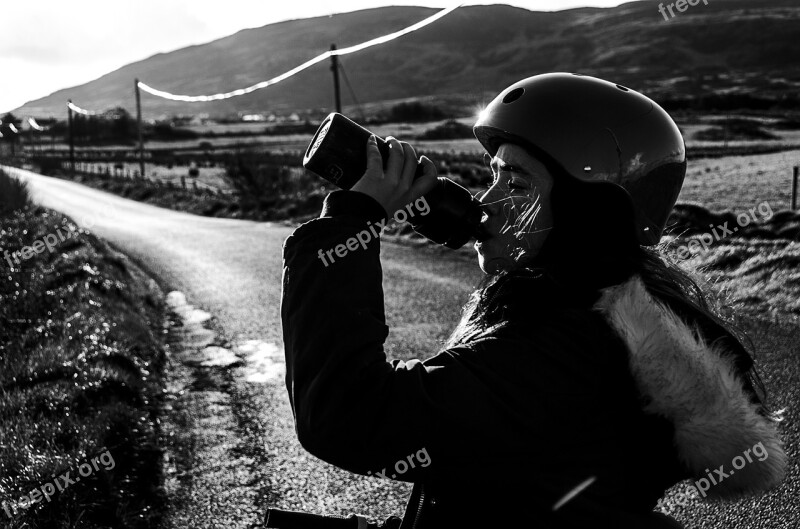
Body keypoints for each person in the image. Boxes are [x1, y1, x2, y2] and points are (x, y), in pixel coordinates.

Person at [280, 73, 787, 528]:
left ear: (588, 216)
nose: (488, 201)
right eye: (494, 176)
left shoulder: (561, 352)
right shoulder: (597, 321)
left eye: (517, 183)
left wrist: (350, 223)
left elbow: (347, 414)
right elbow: (514, 495)